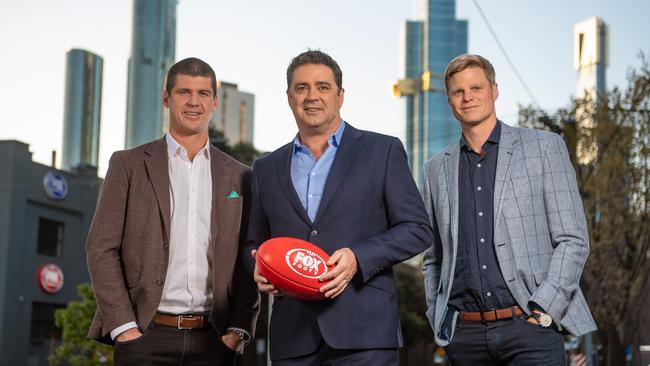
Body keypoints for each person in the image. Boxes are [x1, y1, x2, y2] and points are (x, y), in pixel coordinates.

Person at [244, 49, 433, 365]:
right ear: (289, 97)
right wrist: (258, 268)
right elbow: (253, 241)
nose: (312, 96)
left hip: (365, 336)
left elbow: (417, 229)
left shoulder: (382, 150)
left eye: (323, 87)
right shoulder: (266, 167)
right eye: (301, 88)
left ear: (340, 95)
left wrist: (358, 258)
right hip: (292, 338)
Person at [421, 54, 597, 365]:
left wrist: (546, 310)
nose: (468, 97)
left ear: (494, 90)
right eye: (458, 91)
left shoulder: (544, 148)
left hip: (530, 329)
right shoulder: (435, 169)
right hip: (466, 335)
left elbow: (573, 239)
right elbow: (434, 257)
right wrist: (439, 318)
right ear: (449, 99)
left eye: (476, 87)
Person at [86, 57, 260, 365]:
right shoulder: (128, 165)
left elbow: (250, 256)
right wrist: (124, 328)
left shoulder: (241, 176)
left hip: (215, 341)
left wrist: (238, 328)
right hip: (144, 337)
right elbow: (101, 248)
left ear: (215, 101)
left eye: (203, 93)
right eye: (184, 92)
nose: (194, 102)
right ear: (167, 98)